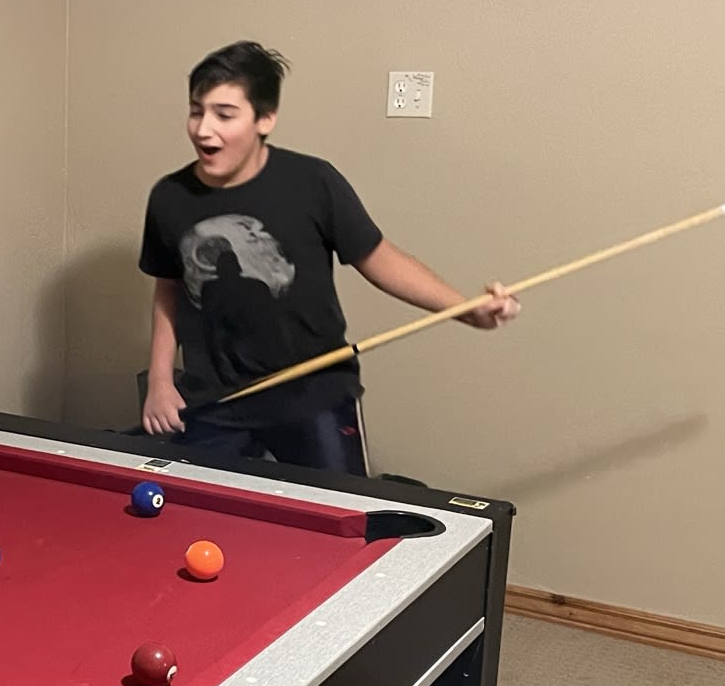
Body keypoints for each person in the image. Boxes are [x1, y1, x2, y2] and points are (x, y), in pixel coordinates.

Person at [138, 41, 517, 474]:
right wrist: (160, 381)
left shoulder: (313, 182)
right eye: (196, 112)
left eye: (224, 115)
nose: (204, 130)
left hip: (314, 396)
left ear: (265, 119)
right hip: (216, 401)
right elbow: (169, 290)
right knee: (198, 511)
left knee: (339, 510)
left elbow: (382, 260)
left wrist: (468, 310)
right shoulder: (169, 197)